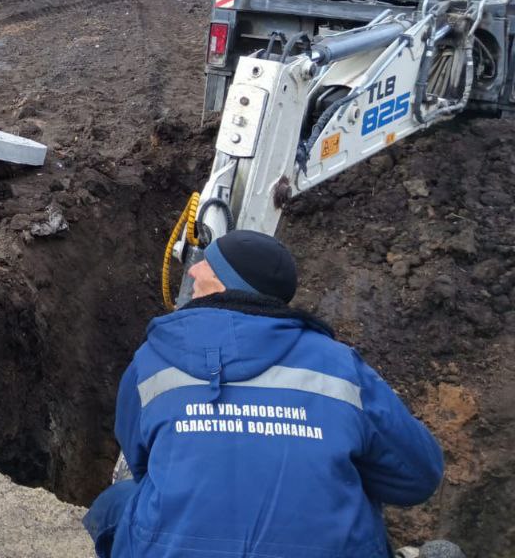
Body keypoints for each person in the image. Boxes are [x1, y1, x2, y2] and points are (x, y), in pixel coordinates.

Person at [86, 230, 444, 558]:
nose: (192, 272)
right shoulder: (340, 366)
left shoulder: (151, 360)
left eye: (206, 265)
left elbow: (142, 462)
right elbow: (417, 477)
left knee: (118, 503)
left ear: (229, 283)